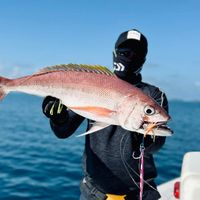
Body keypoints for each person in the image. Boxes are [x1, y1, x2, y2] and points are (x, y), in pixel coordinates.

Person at [42, 29, 169, 200]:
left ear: (144, 59)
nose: (129, 57)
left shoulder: (153, 95)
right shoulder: (93, 85)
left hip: (139, 194)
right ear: (114, 54)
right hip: (93, 193)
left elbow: (156, 145)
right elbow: (63, 132)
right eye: (124, 52)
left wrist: (148, 138)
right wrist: (58, 118)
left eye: (136, 53)